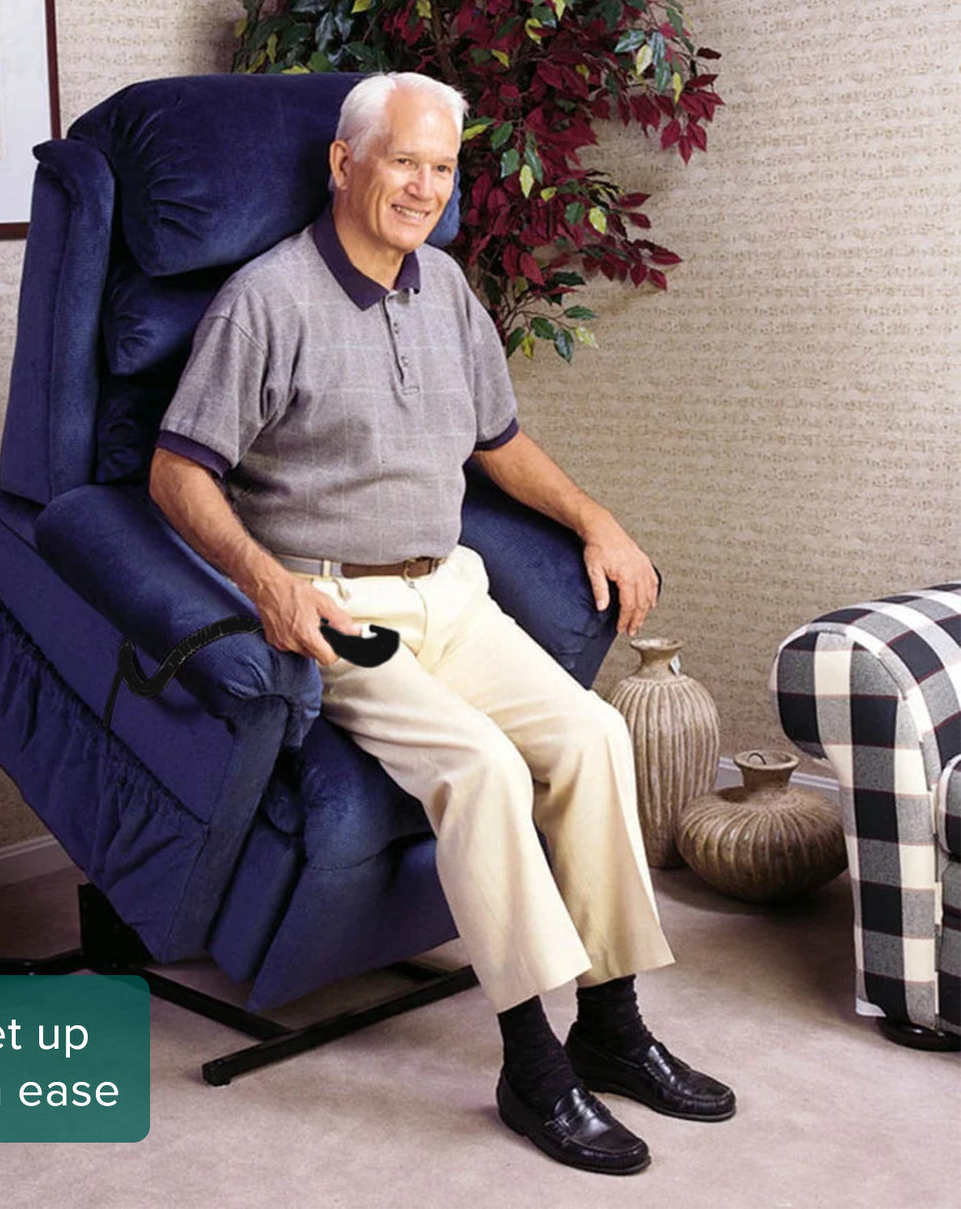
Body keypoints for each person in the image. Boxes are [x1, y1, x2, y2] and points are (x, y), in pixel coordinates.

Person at [150, 72, 733, 1175]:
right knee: (480, 766)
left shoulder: (447, 288)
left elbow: (495, 443)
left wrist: (595, 518)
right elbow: (177, 472)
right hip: (338, 604)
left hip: (451, 592)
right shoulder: (263, 301)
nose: (422, 187)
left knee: (593, 737)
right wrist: (268, 584)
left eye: (439, 167)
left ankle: (608, 1023)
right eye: (402, 160)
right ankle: (530, 1064)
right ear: (342, 162)